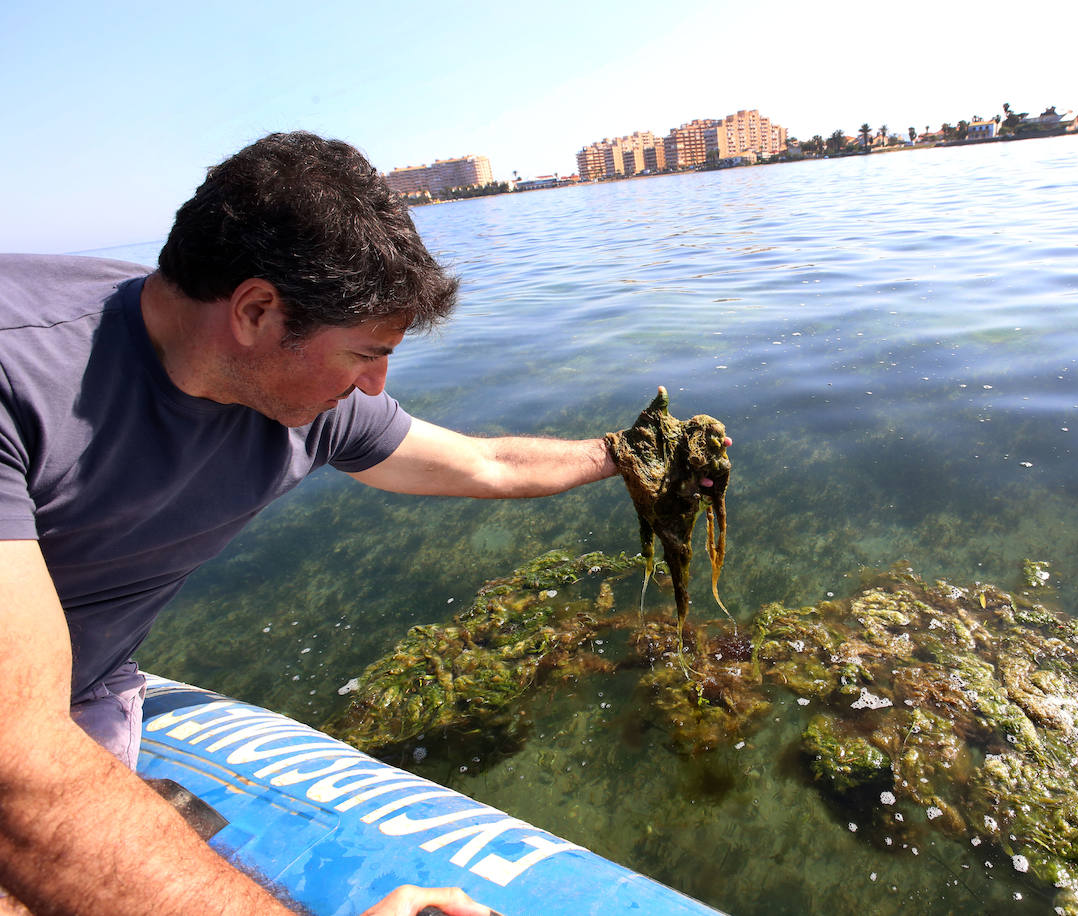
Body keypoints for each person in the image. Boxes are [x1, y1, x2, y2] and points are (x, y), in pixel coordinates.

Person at [0, 131, 697, 916]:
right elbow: (18, 767)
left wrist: (627, 454)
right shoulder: (19, 376)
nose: (377, 384)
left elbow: (485, 465)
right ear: (257, 311)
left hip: (84, 692)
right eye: (366, 353)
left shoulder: (306, 402)